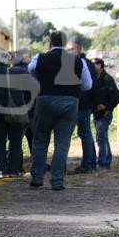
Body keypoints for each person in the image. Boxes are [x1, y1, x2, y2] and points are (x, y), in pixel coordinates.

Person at [28, 30, 92, 190]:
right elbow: (87, 85)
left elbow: (31, 71)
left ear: (50, 42)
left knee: (40, 140)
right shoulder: (78, 61)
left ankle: (37, 177)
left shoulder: (40, 58)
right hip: (70, 103)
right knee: (62, 143)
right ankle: (57, 181)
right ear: (65, 43)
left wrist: (43, 80)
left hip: (45, 101)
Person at [0, 49, 36, 178]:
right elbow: (18, 95)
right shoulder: (14, 73)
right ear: (9, 61)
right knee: (15, 142)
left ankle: (1, 171)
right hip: (14, 113)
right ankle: (14, 170)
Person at [90, 58, 119, 169]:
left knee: (101, 138)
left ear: (101, 66)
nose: (93, 66)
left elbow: (116, 97)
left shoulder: (107, 79)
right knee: (102, 137)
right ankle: (106, 161)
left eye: (95, 64)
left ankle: (103, 162)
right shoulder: (95, 79)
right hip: (97, 113)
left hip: (105, 114)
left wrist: (107, 108)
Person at [70, 42, 96, 173]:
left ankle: (87, 164)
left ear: (79, 50)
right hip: (84, 103)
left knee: (84, 132)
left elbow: (90, 85)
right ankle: (91, 162)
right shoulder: (85, 62)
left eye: (71, 49)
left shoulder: (82, 63)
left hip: (83, 103)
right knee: (85, 133)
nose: (69, 51)